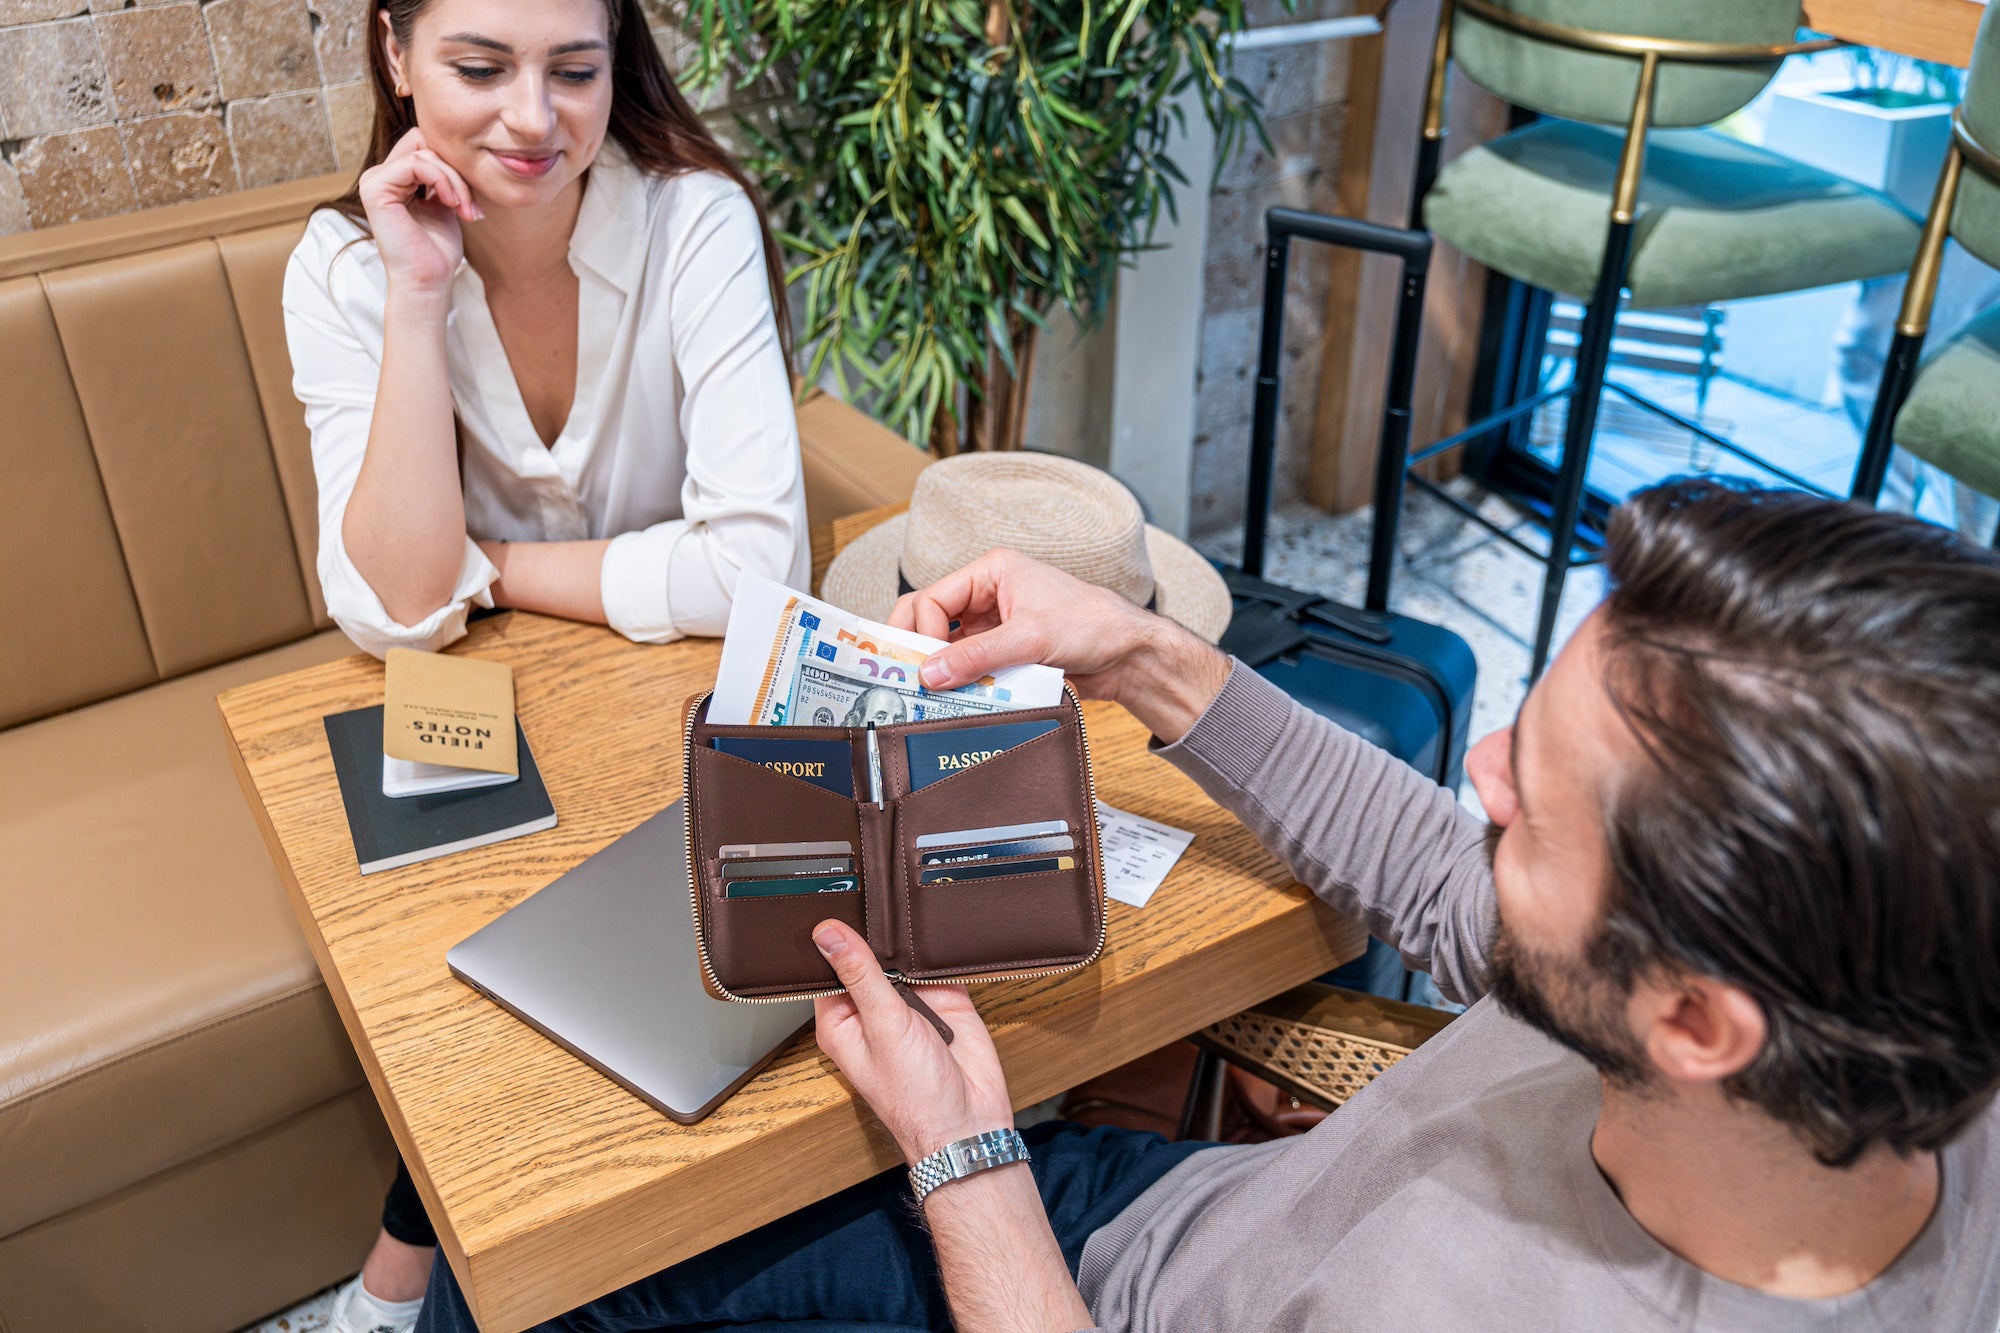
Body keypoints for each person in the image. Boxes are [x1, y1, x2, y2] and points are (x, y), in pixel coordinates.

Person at [418, 478, 2000, 1332]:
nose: (1484, 766)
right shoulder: (1901, 1027)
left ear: (1696, 1021)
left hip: (1061, 1286)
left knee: (542, 1280)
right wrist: (1140, 652)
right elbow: (1458, 892)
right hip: (1190, 1214)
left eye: (1541, 801)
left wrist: (963, 1157)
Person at [280, 0, 807, 1326]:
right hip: (490, 703)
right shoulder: (346, 269)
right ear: (395, 54)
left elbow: (757, 571)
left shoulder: (693, 221)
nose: (534, 118)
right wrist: (419, 294)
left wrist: (495, 569)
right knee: (474, 938)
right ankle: (429, 1259)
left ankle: (425, 1267)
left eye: (575, 70)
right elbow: (398, 607)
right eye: (479, 66)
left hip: (665, 700)